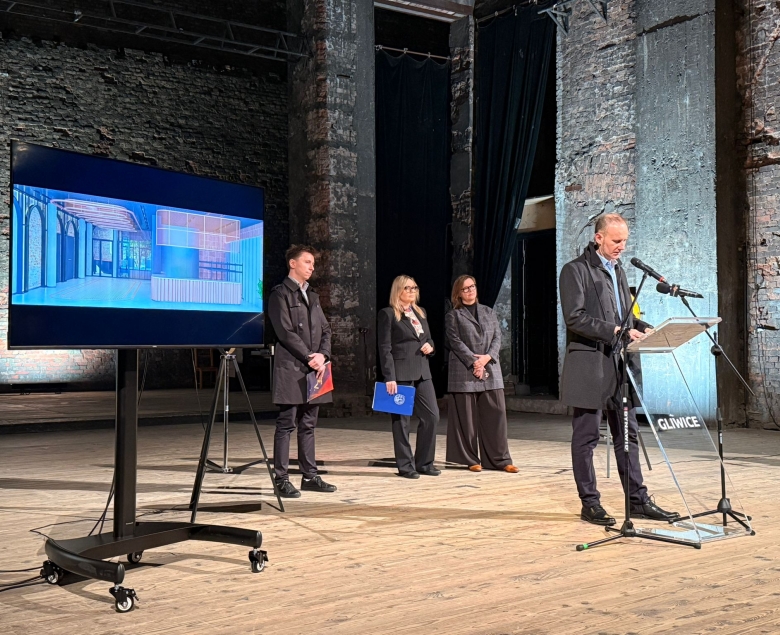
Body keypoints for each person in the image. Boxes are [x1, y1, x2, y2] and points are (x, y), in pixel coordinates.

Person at [559, 213, 678, 526]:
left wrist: (645, 327)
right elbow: (575, 317)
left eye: (624, 240)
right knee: (586, 437)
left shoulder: (619, 270)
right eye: (616, 240)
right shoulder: (575, 270)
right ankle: (590, 503)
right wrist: (615, 330)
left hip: (620, 365)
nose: (621, 246)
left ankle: (637, 500)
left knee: (628, 435)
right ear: (598, 237)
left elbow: (625, 317)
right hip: (590, 364)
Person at [267, 245, 337, 498]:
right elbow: (285, 332)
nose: (312, 267)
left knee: (309, 424)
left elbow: (326, 330)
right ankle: (281, 479)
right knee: (287, 423)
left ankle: (310, 476)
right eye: (307, 262)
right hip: (292, 367)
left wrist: (323, 355)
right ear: (292, 263)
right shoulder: (280, 294)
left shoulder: (313, 296)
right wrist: (309, 356)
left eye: (313, 263)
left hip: (315, 369)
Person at [445, 275, 518, 474]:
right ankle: (469, 459)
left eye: (472, 286)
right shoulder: (453, 315)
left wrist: (486, 358)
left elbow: (497, 337)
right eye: (465, 288)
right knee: (466, 419)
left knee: (496, 414)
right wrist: (474, 361)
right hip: (464, 369)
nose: (470, 290)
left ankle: (500, 460)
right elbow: (454, 341)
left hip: (490, 367)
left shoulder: (488, 311)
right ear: (458, 293)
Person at [377, 275, 440, 479]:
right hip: (401, 373)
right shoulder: (388, 314)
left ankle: (424, 463)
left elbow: (428, 338)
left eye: (414, 288)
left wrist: (430, 346)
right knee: (401, 422)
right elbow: (385, 348)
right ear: (398, 291)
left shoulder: (420, 313)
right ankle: (405, 466)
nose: (412, 291)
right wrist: (389, 376)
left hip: (423, 371)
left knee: (432, 416)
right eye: (407, 288)